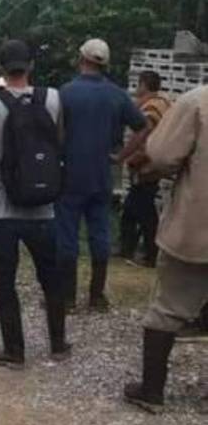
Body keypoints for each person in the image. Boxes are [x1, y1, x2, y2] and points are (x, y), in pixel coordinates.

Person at [0, 40, 70, 367]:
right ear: (31, 65)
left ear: (0, 68)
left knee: (5, 282)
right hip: (44, 208)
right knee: (50, 278)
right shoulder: (52, 98)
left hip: (3, 209)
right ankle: (58, 343)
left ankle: (14, 350)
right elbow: (59, 143)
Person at [122, 84, 208, 412]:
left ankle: (152, 391)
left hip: (197, 225)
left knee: (168, 308)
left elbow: (161, 154)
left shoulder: (198, 101)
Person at [56, 39, 146, 311]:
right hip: (103, 175)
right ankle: (97, 296)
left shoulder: (66, 93)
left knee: (67, 234)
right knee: (100, 233)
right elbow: (143, 127)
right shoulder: (117, 95)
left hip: (70, 174)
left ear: (81, 58)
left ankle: (67, 298)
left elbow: (56, 132)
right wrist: (121, 156)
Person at [118, 70, 172, 267]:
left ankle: (150, 253)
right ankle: (129, 247)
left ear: (143, 85)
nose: (136, 89)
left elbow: (146, 136)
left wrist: (130, 158)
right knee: (135, 209)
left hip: (146, 166)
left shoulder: (151, 107)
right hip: (154, 164)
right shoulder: (164, 103)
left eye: (138, 84)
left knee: (142, 210)